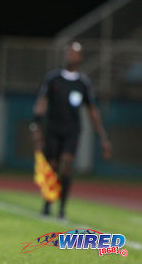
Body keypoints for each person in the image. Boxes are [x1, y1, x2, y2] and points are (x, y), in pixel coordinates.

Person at [30, 41, 112, 220]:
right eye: (69, 52)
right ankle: (48, 203)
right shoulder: (53, 78)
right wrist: (35, 123)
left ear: (80, 58)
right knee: (52, 166)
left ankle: (62, 209)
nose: (71, 55)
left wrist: (102, 137)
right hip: (52, 128)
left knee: (66, 165)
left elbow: (93, 111)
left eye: (75, 53)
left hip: (72, 130)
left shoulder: (83, 83)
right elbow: (42, 101)